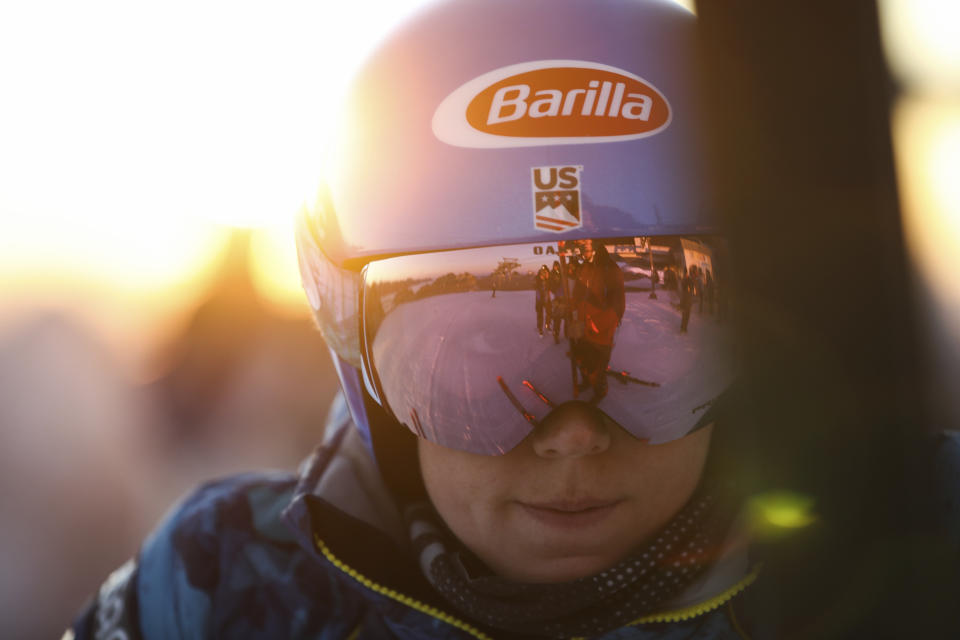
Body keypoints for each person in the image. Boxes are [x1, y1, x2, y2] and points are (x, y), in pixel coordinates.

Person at [64, 0, 960, 638]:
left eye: (650, 337)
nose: (571, 437)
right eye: (482, 359)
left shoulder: (902, 550)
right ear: (360, 358)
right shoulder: (216, 588)